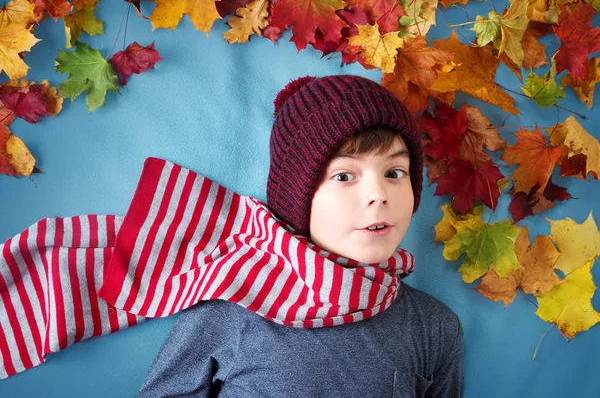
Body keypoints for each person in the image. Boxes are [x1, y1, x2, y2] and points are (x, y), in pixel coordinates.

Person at [135, 75, 464, 397]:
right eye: (344, 175)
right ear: (298, 197)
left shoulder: (434, 328)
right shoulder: (232, 306)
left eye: (394, 173)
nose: (378, 194)